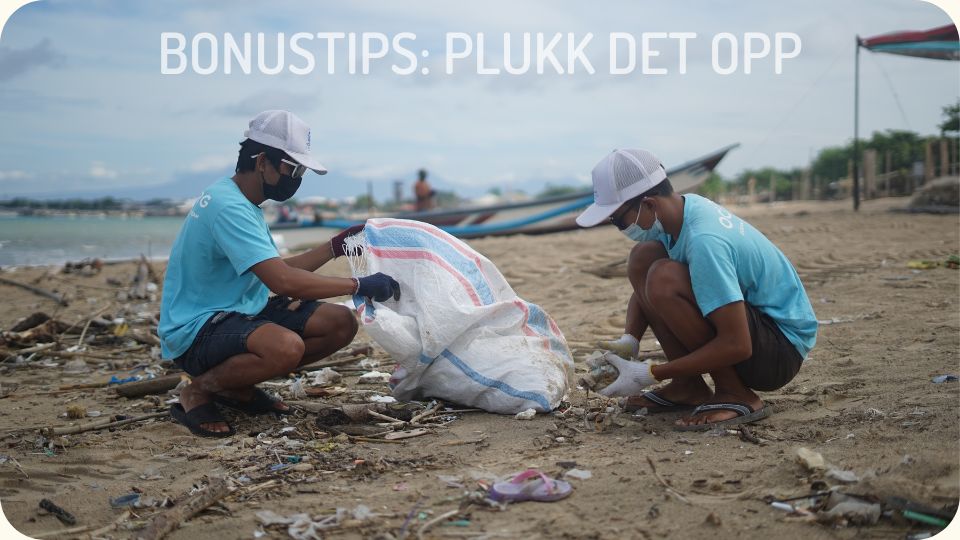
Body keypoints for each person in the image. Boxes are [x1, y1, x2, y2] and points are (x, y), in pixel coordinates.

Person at [159, 110, 401, 438]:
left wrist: (335, 246)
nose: (297, 177)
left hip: (239, 311)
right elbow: (282, 282)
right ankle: (198, 390)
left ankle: (235, 386)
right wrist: (358, 284)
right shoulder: (228, 207)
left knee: (339, 324)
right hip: (197, 328)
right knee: (285, 348)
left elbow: (277, 269)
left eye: (301, 170)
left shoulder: (240, 200)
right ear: (262, 162)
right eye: (292, 168)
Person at [576, 149, 817, 430]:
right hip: (759, 333)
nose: (619, 227)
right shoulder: (680, 213)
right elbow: (644, 291)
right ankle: (687, 386)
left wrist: (651, 373)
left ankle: (736, 394)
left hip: (780, 350)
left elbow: (737, 344)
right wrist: (630, 339)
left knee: (663, 277)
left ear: (649, 204)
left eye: (618, 220)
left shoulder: (705, 240)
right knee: (644, 258)